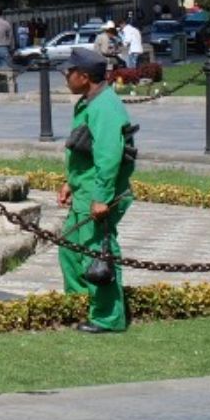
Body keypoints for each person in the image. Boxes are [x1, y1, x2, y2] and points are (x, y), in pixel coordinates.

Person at [57, 47, 135, 333]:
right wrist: (69, 182)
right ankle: (79, 304)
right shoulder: (89, 101)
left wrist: (101, 198)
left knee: (98, 253)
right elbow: (82, 148)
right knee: (69, 251)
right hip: (83, 191)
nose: (66, 76)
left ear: (85, 76)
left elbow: (108, 157)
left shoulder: (105, 107)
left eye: (69, 72)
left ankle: (107, 317)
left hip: (99, 194)